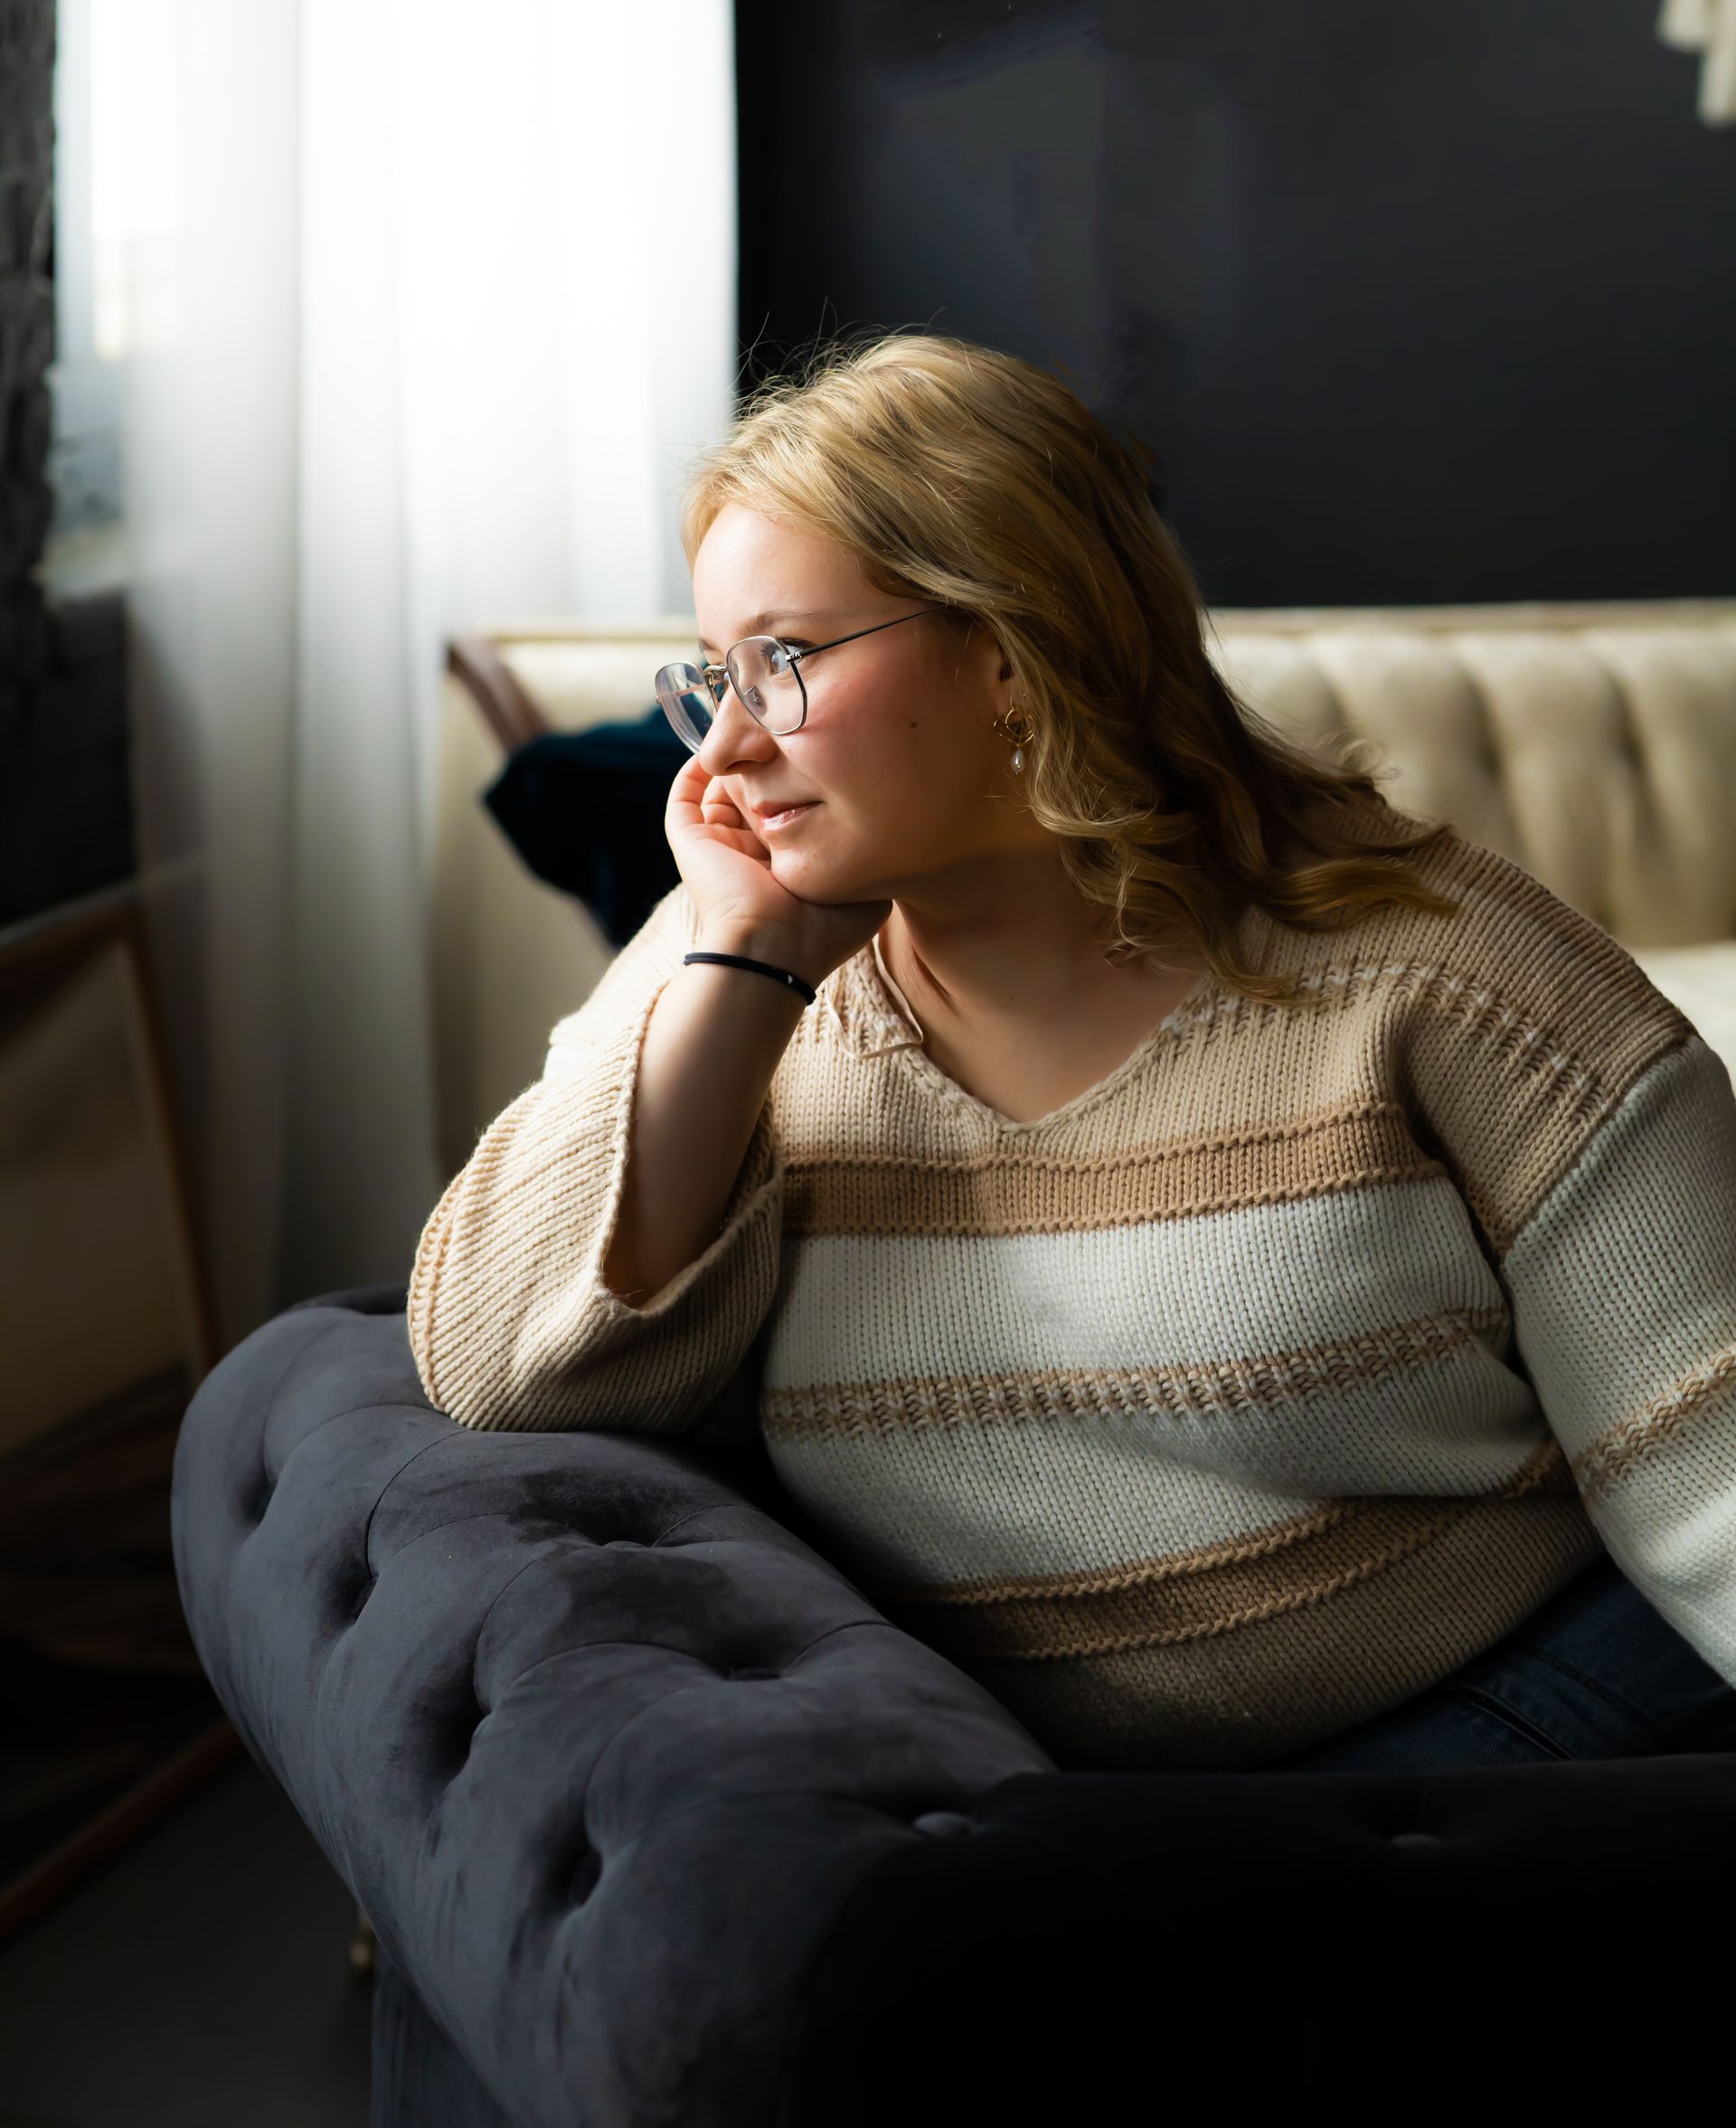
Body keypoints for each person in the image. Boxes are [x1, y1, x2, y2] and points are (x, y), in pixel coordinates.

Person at [406, 329, 1736, 1775]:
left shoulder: (1452, 981)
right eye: (709, 675)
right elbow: (498, 1368)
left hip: (1496, 1728)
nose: (724, 746)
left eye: (780, 662)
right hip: (1030, 1818)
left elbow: (1707, 1468)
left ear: (1010, 652)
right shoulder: (747, 963)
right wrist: (734, 959)